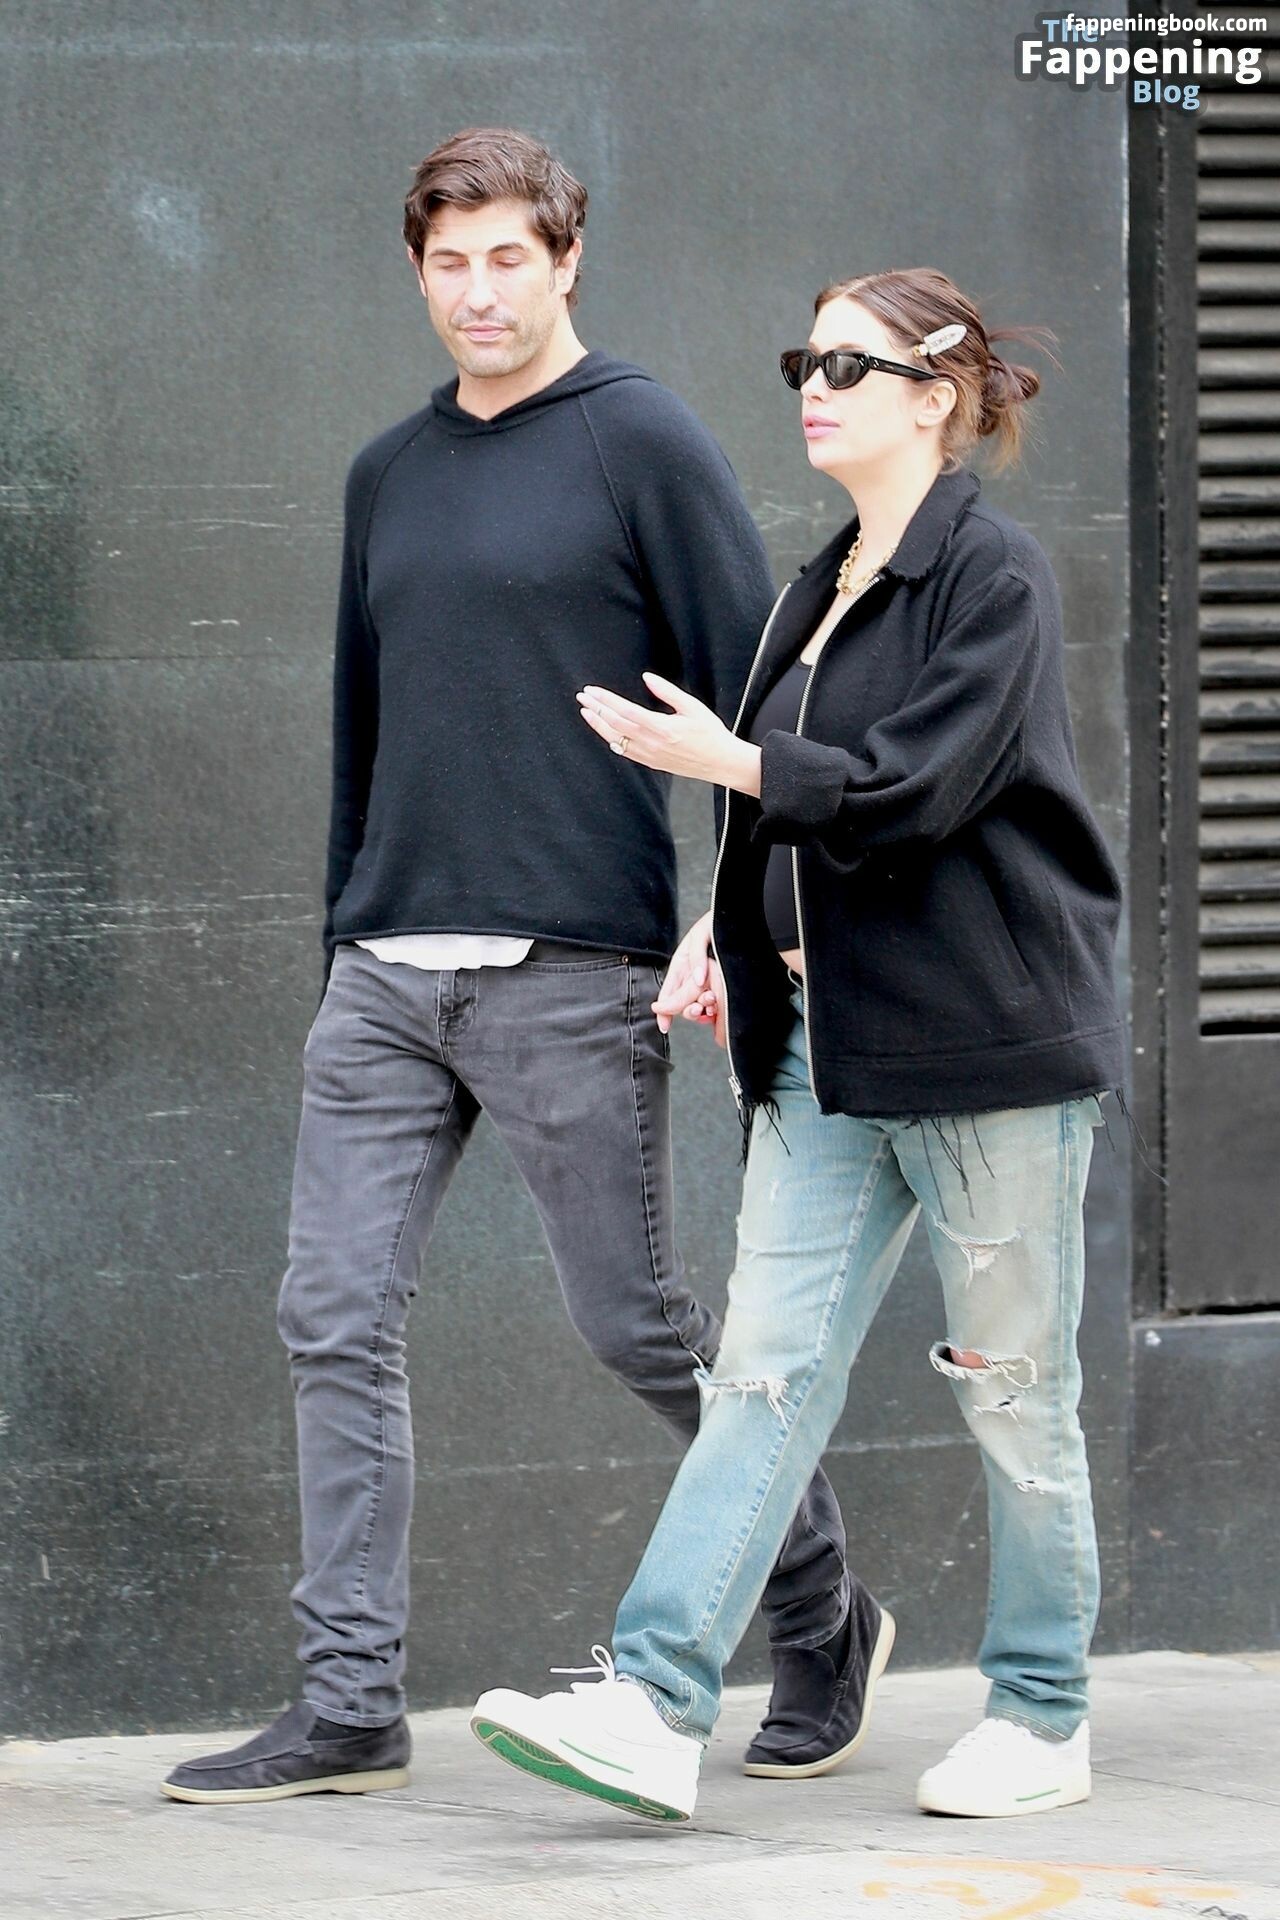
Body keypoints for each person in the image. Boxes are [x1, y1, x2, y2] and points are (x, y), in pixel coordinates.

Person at [160, 127, 891, 1806]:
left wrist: (738, 913)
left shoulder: (640, 439)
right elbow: (363, 723)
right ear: (416, 274)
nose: (478, 291)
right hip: (384, 974)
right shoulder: (387, 473)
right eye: (449, 262)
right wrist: (343, 934)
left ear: (567, 261)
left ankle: (818, 1609)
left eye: (509, 257)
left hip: (574, 963)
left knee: (633, 1322)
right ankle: (349, 1700)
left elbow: (755, 702)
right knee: (331, 1316)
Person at [469, 265, 1127, 1825]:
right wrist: (726, 919)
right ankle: (655, 1704)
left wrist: (729, 761)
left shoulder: (993, 577)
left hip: (983, 1049)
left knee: (1013, 1390)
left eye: (848, 364)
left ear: (935, 396)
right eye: (802, 362)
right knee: (762, 1376)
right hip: (824, 1047)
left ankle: (1042, 1713)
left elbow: (912, 788)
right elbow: (785, 816)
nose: (814, 389)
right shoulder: (816, 587)